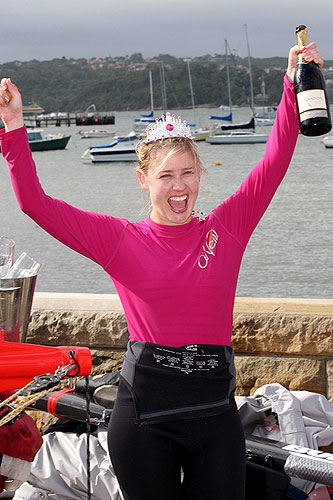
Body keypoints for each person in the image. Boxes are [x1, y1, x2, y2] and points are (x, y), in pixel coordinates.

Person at [0, 41, 324, 500]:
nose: (179, 187)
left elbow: (273, 161)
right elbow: (34, 204)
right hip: (143, 422)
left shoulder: (225, 230)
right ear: (143, 179)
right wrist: (13, 126)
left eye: (188, 173)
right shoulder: (119, 239)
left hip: (215, 416)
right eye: (166, 175)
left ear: (200, 176)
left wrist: (292, 84)